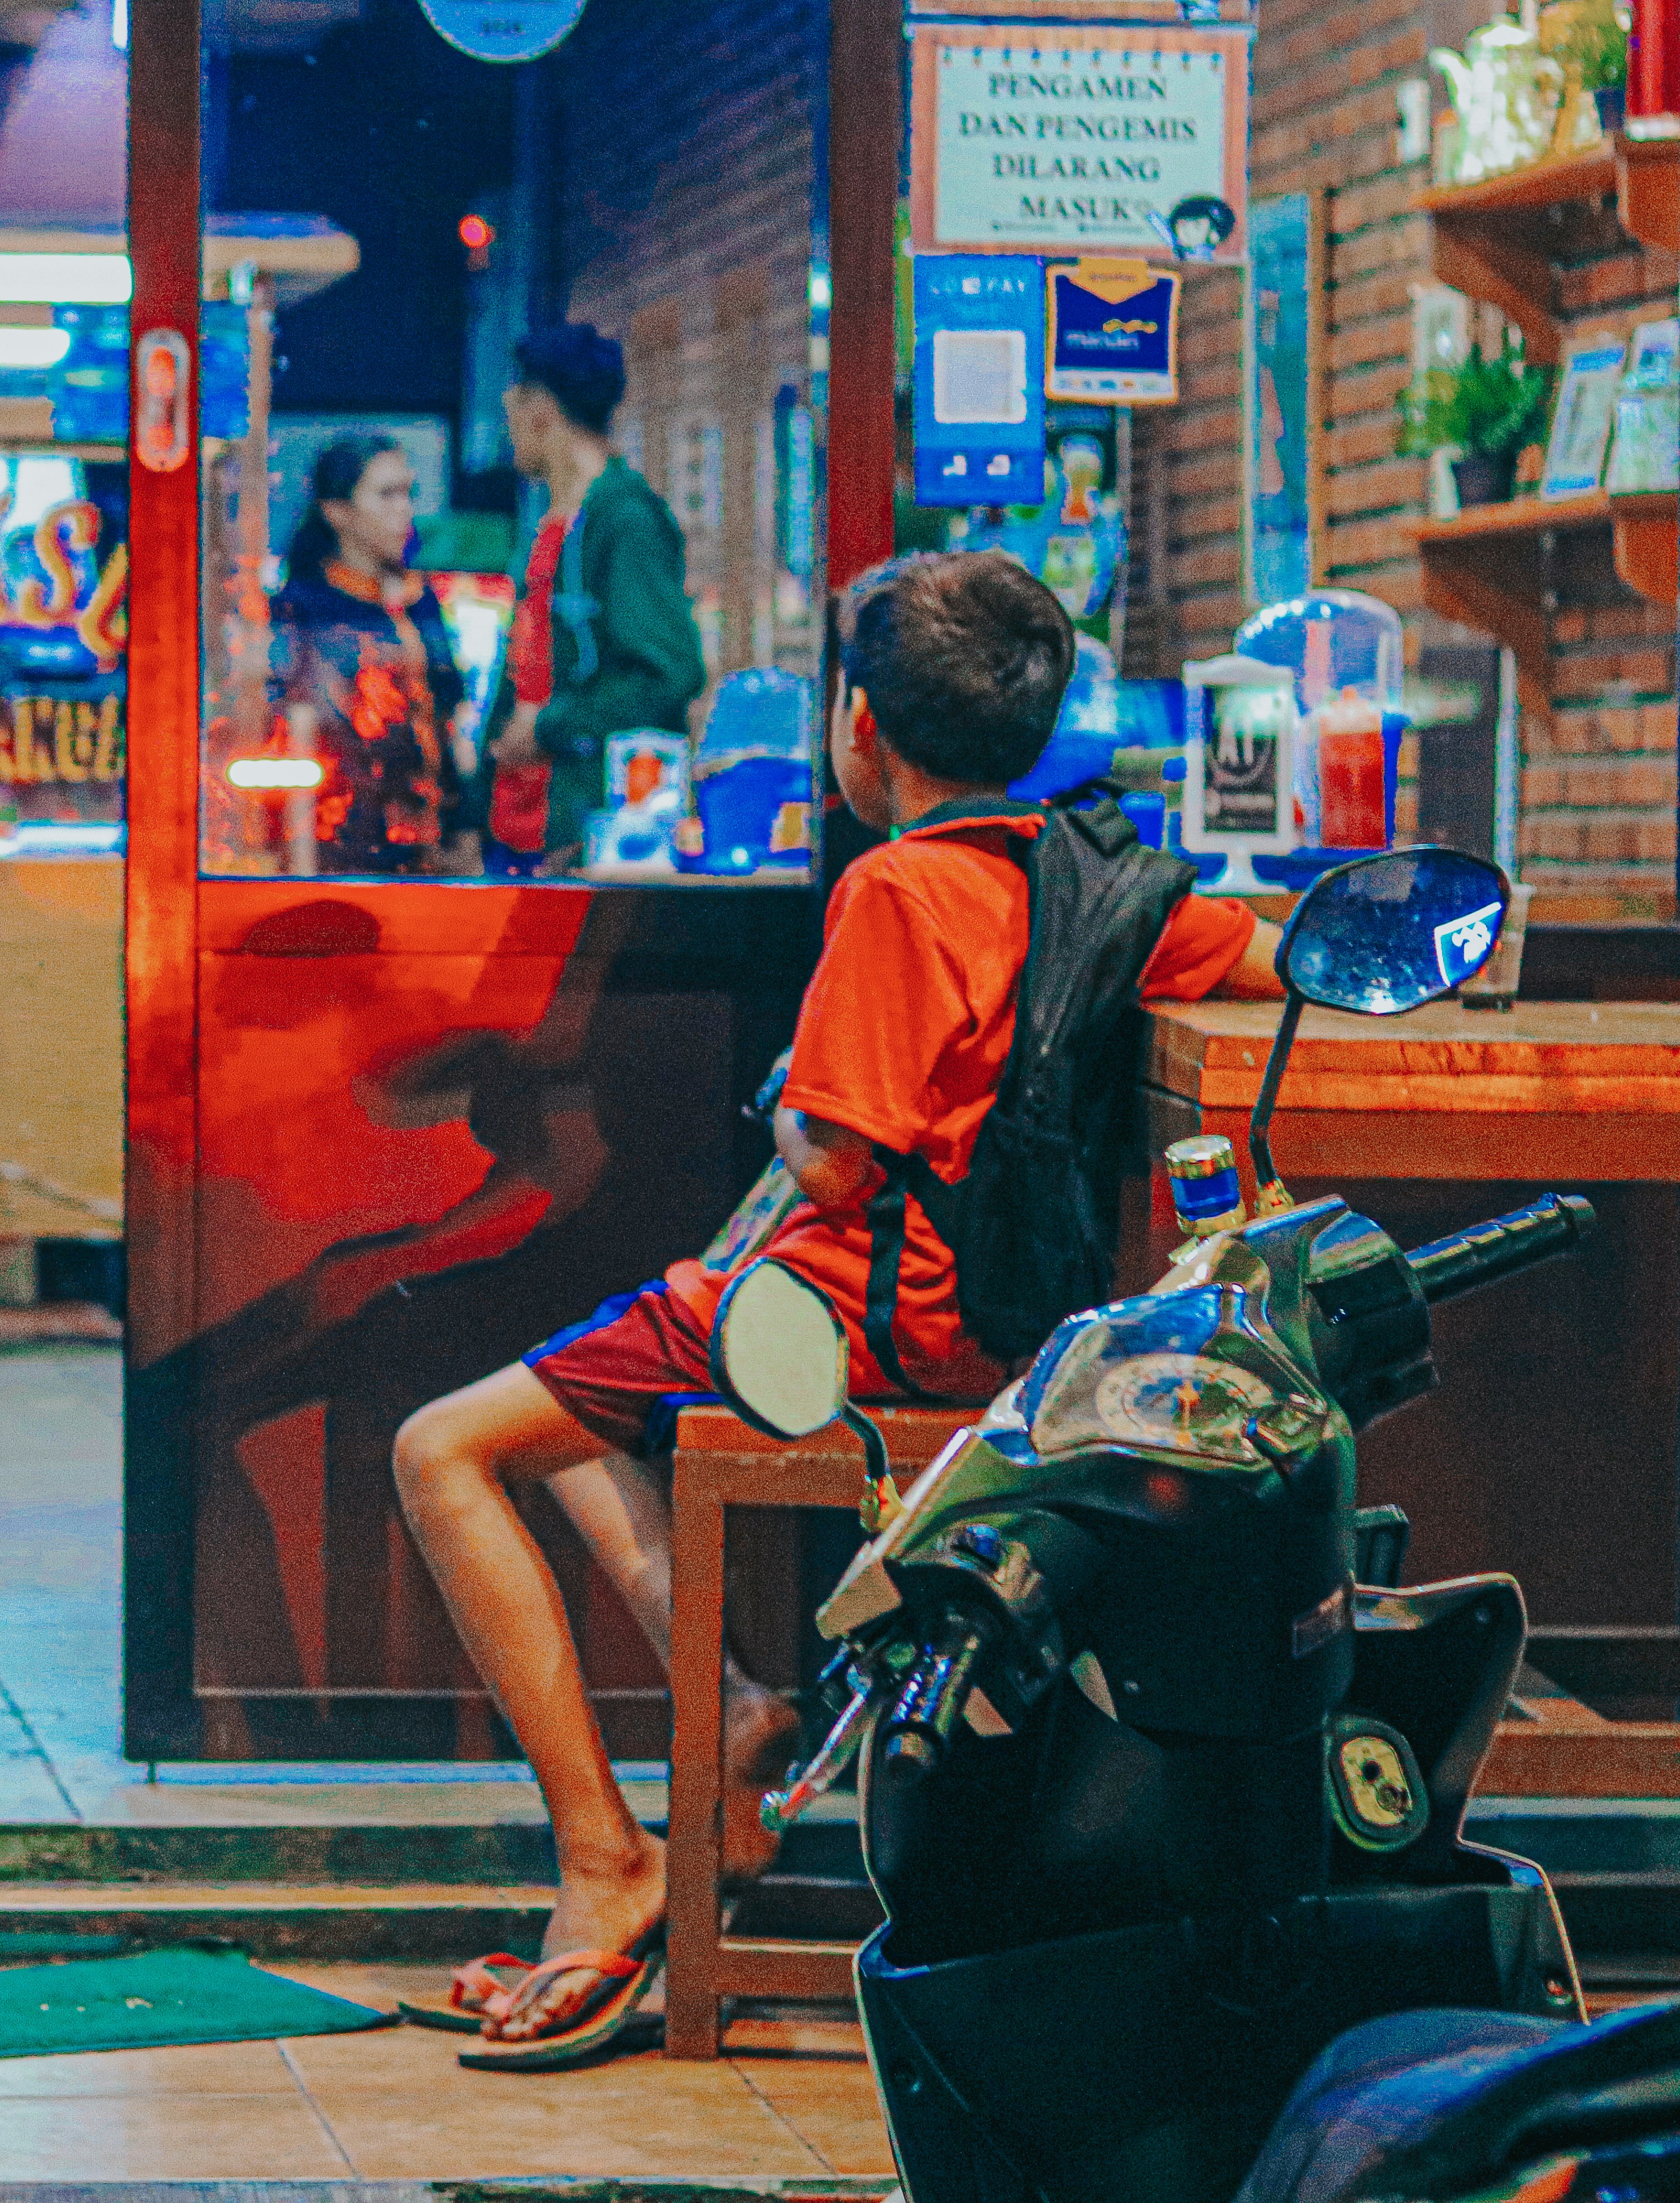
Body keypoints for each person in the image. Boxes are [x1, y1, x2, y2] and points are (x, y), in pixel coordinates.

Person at [389, 552, 1285, 2063]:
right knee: (583, 1405)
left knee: (444, 1449)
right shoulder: (1090, 878)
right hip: (1005, 1316)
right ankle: (734, 1704)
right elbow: (1265, 954)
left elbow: (838, 1155)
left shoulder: (895, 889)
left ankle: (606, 1864)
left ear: (858, 726)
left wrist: (792, 1110)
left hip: (855, 1313)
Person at [477, 322, 704, 876]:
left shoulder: (625, 520)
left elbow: (668, 672)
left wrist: (551, 727)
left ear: (539, 409)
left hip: (596, 830)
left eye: (512, 408)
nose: (509, 429)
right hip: (525, 828)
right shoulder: (552, 519)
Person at [270, 435, 467, 875]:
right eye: (386, 495)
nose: (405, 510)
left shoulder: (419, 602)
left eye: (408, 494)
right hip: (329, 840)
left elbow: (445, 720)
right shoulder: (300, 608)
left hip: (422, 842)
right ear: (336, 511)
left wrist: (463, 827)